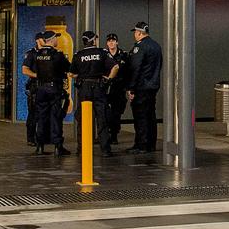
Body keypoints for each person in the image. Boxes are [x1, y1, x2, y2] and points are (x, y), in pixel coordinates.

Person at [69, 30, 119, 157]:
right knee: (102, 118)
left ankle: (81, 149)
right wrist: (108, 79)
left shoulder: (78, 55)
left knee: (83, 119)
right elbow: (115, 67)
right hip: (98, 87)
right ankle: (105, 150)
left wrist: (82, 75)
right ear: (94, 40)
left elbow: (71, 74)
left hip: (84, 88)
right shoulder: (102, 53)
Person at [23, 30, 71, 156]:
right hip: (54, 89)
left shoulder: (36, 54)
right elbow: (69, 68)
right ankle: (57, 146)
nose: (57, 41)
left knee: (41, 118)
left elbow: (30, 69)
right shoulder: (57, 55)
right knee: (55, 117)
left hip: (40, 89)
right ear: (51, 39)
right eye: (56, 38)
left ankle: (40, 146)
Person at [126, 21, 162, 155]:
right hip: (152, 86)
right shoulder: (156, 46)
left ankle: (141, 145)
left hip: (141, 87)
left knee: (140, 116)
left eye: (135, 32)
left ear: (140, 33)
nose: (135, 35)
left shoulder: (140, 47)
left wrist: (131, 88)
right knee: (151, 116)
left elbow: (136, 68)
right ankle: (150, 144)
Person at [104, 33, 130, 145]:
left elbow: (129, 71)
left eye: (113, 41)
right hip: (106, 87)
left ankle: (114, 135)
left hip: (119, 87)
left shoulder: (123, 55)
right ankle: (106, 134)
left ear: (117, 42)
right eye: (109, 41)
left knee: (116, 113)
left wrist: (128, 88)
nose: (111, 43)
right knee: (105, 113)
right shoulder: (103, 55)